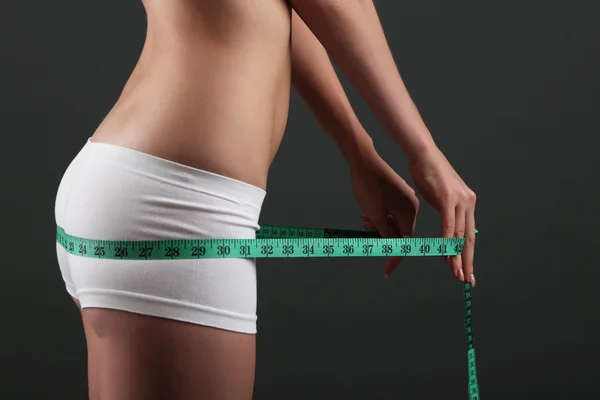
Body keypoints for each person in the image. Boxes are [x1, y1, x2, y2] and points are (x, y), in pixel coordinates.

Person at [54, 0, 477, 399]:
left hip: (130, 184)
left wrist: (358, 150)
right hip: (180, 206)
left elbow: (281, 10)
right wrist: (425, 153)